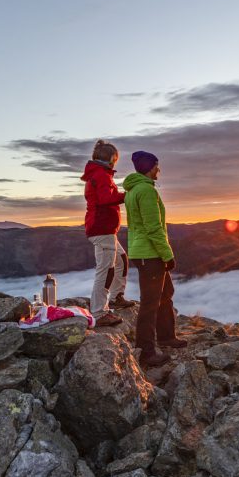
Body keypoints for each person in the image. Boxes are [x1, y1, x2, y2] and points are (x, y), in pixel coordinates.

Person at [123, 150, 187, 367]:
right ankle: (147, 352)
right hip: (149, 254)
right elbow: (153, 228)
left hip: (143, 252)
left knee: (165, 292)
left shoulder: (134, 190)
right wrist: (167, 255)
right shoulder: (146, 191)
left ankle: (167, 336)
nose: (159, 169)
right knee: (150, 303)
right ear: (149, 167)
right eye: (156, 166)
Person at [82, 140, 136, 328]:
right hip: (101, 228)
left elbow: (105, 197)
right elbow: (106, 199)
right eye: (115, 159)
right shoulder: (101, 175)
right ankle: (98, 312)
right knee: (106, 270)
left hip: (105, 229)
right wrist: (127, 195)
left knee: (120, 259)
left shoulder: (99, 174)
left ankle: (116, 297)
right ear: (112, 159)